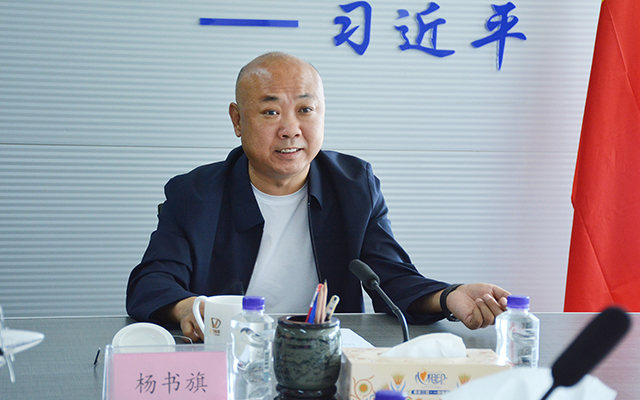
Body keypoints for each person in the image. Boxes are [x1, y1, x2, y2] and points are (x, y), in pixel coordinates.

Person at [126, 52, 510, 343]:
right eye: (270, 112)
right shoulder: (194, 194)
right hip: (231, 354)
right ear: (238, 120)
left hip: (322, 354)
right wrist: (190, 308)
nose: (290, 129)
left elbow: (390, 278)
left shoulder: (354, 185)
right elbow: (152, 282)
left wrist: (450, 297)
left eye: (305, 109)